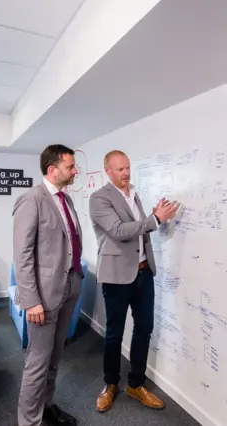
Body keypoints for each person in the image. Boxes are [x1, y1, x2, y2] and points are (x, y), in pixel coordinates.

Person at [89, 150, 179, 413]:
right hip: (116, 276)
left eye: (128, 168)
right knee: (114, 333)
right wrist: (154, 220)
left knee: (144, 329)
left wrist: (152, 219)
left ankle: (136, 384)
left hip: (143, 273)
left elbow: (139, 227)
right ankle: (110, 384)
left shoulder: (134, 195)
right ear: (107, 171)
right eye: (119, 169)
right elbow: (118, 231)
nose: (126, 173)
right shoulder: (99, 199)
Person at [13, 144, 82, 426]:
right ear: (52, 170)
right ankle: (29, 421)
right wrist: (31, 300)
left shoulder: (66, 200)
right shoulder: (32, 199)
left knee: (55, 356)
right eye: (70, 167)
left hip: (69, 288)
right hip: (42, 295)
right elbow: (23, 253)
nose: (75, 171)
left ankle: (46, 406)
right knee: (37, 363)